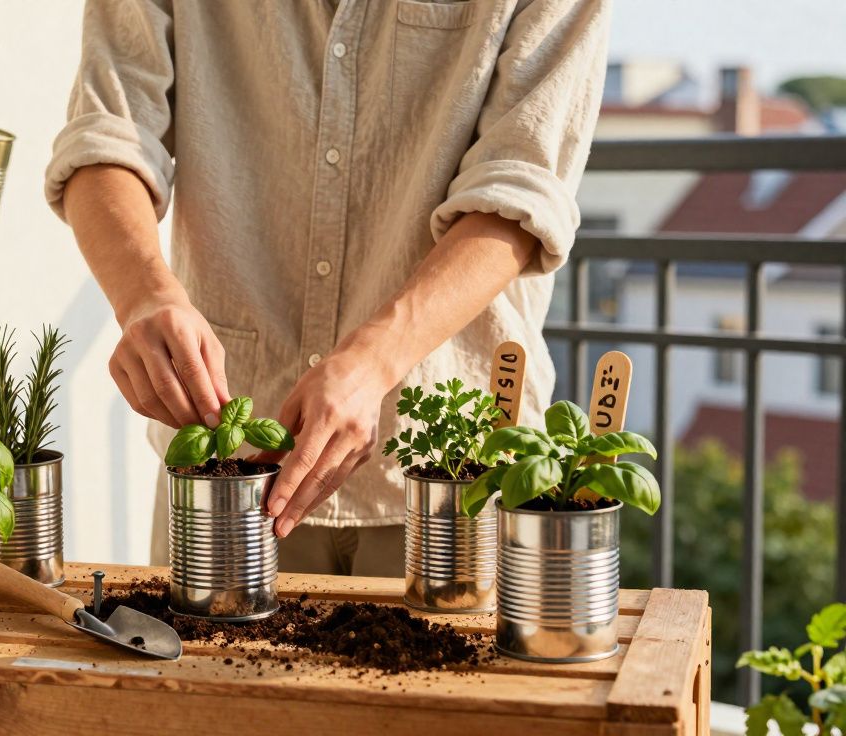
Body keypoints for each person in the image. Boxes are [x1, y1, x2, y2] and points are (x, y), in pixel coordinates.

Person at [45, 0, 610, 577]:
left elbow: (521, 192)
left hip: (447, 476)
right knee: (200, 666)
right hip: (229, 472)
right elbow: (106, 136)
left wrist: (373, 362)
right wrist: (144, 294)